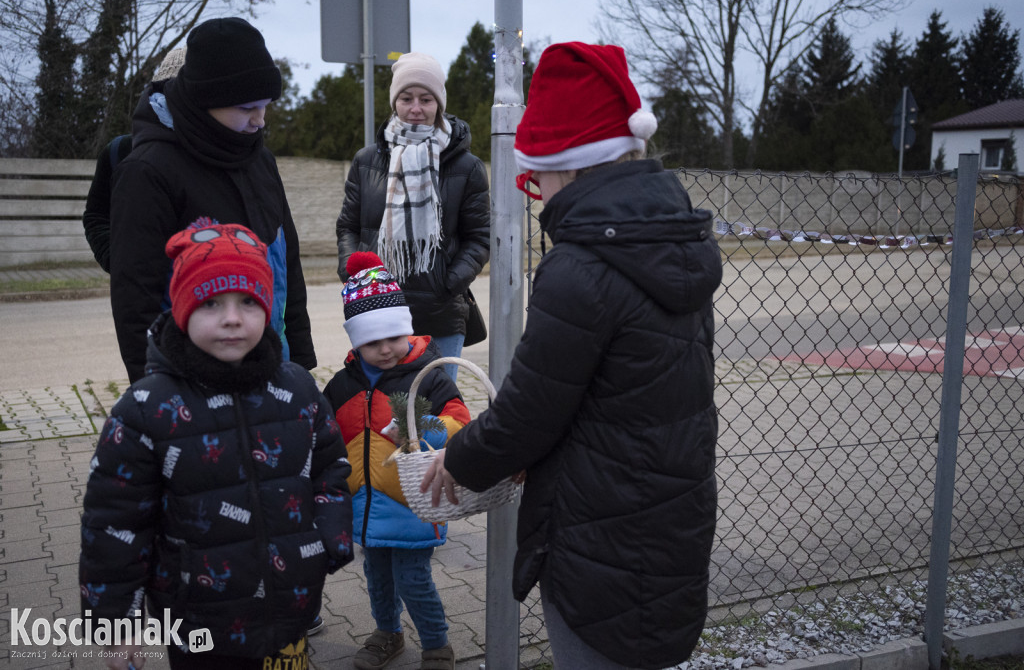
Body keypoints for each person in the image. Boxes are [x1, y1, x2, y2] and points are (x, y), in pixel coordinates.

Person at [420, 42, 723, 670]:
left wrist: (459, 457)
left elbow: (531, 410)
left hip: (600, 533)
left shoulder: (581, 267)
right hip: (667, 519)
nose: (539, 195)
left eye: (540, 177)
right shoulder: (675, 243)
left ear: (570, 165)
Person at [79, 222, 354, 670]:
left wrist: (327, 542)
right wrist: (118, 625)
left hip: (291, 610)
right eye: (211, 302)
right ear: (184, 309)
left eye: (248, 301)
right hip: (198, 624)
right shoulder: (147, 409)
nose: (232, 317)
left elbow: (330, 468)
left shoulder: (298, 390)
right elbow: (114, 523)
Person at [109, 17, 316, 383]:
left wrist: (300, 360)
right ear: (206, 101)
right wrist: (153, 387)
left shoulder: (261, 160)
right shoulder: (148, 170)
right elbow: (135, 296)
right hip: (193, 380)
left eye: (266, 105)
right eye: (247, 107)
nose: (260, 120)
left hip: (274, 367)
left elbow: (288, 264)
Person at [322, 251, 472, 670]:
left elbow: (460, 422)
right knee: (378, 578)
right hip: (365, 506)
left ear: (407, 330)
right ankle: (386, 633)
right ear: (355, 341)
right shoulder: (342, 384)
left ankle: (437, 644)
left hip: (414, 501)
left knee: (414, 579)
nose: (385, 349)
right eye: (372, 341)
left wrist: (420, 427)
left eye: (393, 337)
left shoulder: (430, 374)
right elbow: (325, 432)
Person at [336, 51, 490, 382]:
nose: (416, 108)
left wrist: (447, 284)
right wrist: (354, 275)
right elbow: (348, 227)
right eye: (406, 98)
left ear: (439, 104)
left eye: (426, 99)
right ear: (395, 102)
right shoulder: (366, 162)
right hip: (378, 311)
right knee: (382, 414)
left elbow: (480, 237)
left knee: (437, 412)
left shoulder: (467, 167)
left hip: (441, 312)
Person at [82, 46, 186, 272]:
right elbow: (96, 215)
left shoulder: (225, 151)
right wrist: (117, 259)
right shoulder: (121, 150)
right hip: (139, 296)